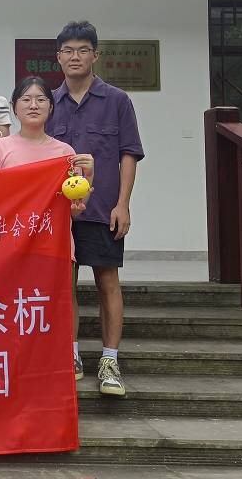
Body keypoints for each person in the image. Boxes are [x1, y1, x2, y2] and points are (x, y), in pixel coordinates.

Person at [45, 20, 145, 397]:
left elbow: (128, 154)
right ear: (58, 57)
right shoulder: (47, 102)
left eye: (82, 50)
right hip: (59, 213)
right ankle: (70, 354)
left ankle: (110, 359)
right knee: (64, 284)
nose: (75, 57)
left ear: (95, 55)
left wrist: (123, 204)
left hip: (103, 209)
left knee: (107, 282)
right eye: (68, 51)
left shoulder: (117, 100)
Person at [0, 76, 94, 382]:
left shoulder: (65, 152)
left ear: (51, 107)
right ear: (14, 107)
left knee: (61, 298)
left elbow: (75, 204)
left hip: (53, 242)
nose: (34, 105)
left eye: (41, 99)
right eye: (26, 99)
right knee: (9, 301)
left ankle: (69, 353)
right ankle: (11, 354)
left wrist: (89, 176)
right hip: (9, 243)